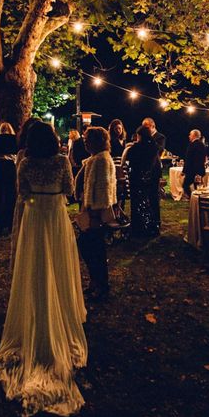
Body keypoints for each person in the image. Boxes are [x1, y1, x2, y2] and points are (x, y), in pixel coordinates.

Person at [0, 122, 87, 417]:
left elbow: (23, 192)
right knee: (58, 266)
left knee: (35, 268)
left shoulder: (25, 162)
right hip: (55, 218)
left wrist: (35, 203)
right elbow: (70, 190)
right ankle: (63, 312)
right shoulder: (62, 161)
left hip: (34, 219)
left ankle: (39, 311)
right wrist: (51, 200)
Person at [77, 127, 117, 298]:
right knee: (90, 247)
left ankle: (101, 285)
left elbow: (102, 188)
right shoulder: (95, 159)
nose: (85, 142)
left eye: (88, 139)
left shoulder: (100, 160)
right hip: (91, 209)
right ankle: (96, 281)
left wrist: (94, 214)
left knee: (93, 248)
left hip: (95, 212)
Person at [10, 118, 42, 271]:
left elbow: (19, 182)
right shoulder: (23, 154)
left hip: (30, 199)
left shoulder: (24, 155)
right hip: (32, 199)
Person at [121, 126, 161, 236]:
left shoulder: (136, 148)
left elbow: (130, 162)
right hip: (152, 178)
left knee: (138, 202)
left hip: (138, 178)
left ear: (139, 136)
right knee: (152, 201)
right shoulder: (154, 147)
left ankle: (139, 227)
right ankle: (153, 225)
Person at [182, 129, 206, 199]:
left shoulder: (192, 145)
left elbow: (189, 159)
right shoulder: (202, 145)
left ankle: (192, 199)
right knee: (197, 187)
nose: (189, 136)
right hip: (200, 170)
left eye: (190, 134)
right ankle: (198, 201)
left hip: (192, 170)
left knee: (185, 185)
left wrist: (184, 171)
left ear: (194, 135)